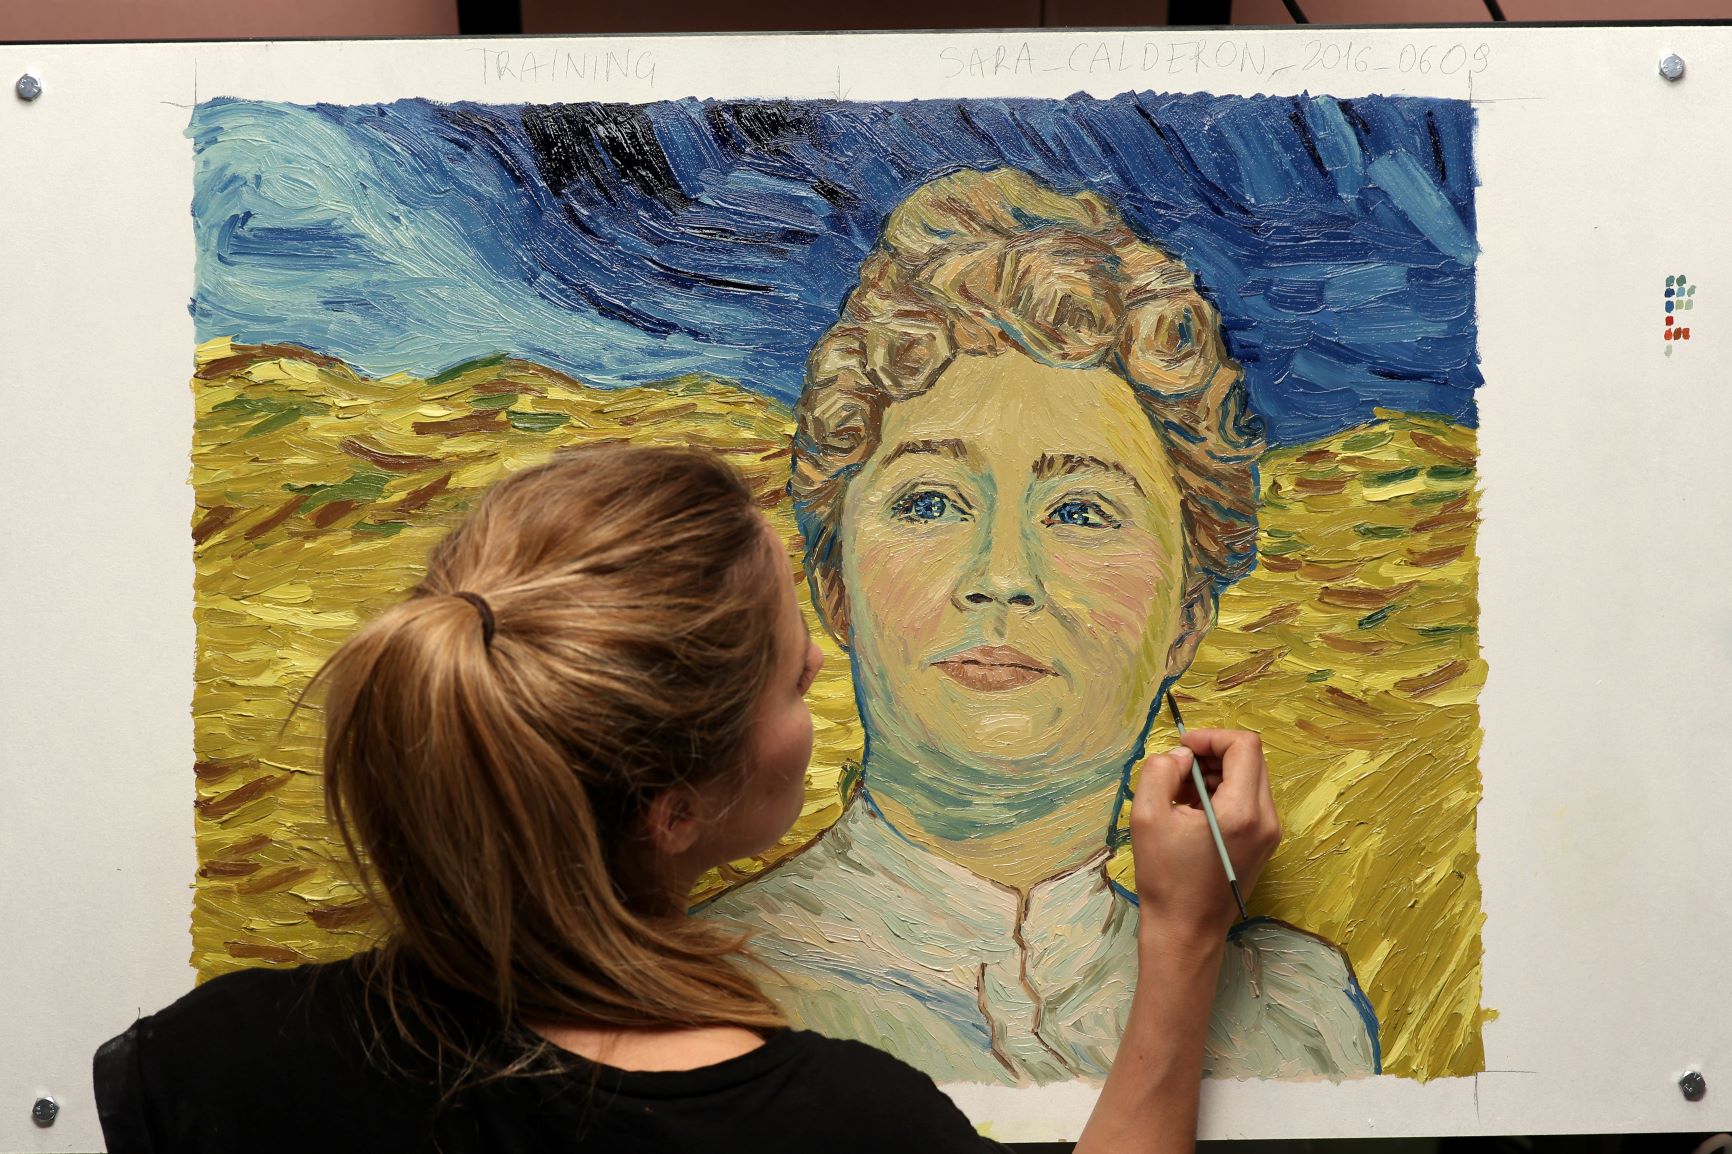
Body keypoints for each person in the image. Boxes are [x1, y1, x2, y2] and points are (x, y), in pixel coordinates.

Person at [93, 442, 1281, 1153]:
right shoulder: (836, 1126)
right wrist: (1183, 935)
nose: (1000, 578)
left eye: (1080, 510)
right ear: (673, 809)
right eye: (791, 678)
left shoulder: (208, 1062)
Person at [704, 168, 1380, 1082]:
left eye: (1081, 512)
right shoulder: (705, 996)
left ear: (1187, 617)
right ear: (834, 584)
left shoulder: (1292, 1017)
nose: (1003, 577)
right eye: (931, 502)